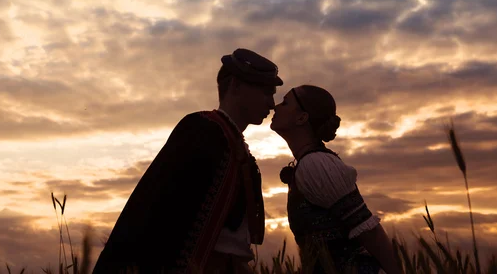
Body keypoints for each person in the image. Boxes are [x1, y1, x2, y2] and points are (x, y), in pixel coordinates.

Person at [92, 48, 283, 274]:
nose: (272, 104)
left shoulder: (238, 148)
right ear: (236, 86)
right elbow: (152, 207)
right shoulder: (200, 130)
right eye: (265, 91)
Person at [270, 85, 401, 274]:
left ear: (302, 117)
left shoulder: (316, 164)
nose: (276, 107)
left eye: (285, 102)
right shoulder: (310, 162)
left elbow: (369, 231)